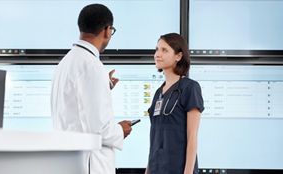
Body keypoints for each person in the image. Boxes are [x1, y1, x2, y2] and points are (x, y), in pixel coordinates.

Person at [51, 3, 133, 174]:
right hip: (90, 164)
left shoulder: (65, 63)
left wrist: (103, 86)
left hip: (70, 161)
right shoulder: (92, 66)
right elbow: (99, 129)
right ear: (107, 30)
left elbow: (75, 105)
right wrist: (121, 130)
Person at [145, 33, 204, 174]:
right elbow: (154, 141)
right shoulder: (158, 93)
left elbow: (192, 137)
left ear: (178, 56)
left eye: (164, 50)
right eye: (157, 49)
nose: (157, 54)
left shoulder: (190, 88)